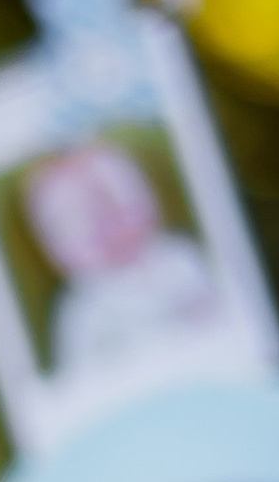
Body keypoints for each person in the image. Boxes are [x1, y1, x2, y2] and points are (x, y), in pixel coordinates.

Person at [16, 137, 218, 377]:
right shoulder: (82, 312)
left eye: (117, 200)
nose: (108, 225)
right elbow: (81, 383)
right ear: (56, 250)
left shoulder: (180, 258)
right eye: (79, 219)